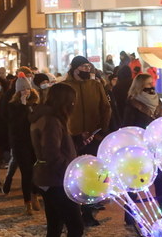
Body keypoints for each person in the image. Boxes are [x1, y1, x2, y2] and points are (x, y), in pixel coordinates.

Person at [61, 56, 111, 226]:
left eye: (88, 66)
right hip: (72, 138)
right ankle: (74, 214)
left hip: (93, 136)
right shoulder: (65, 88)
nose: (87, 69)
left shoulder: (95, 86)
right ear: (74, 68)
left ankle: (89, 212)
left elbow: (105, 108)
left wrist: (101, 130)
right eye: (83, 66)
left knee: (92, 176)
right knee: (74, 176)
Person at [30, 84, 84, 237]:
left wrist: (78, 141)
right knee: (75, 226)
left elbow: (56, 147)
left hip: (49, 177)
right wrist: (70, 172)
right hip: (56, 180)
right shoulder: (51, 121)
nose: (74, 105)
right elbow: (51, 153)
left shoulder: (47, 117)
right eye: (73, 101)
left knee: (55, 225)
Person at [122, 74, 162, 224]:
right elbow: (127, 126)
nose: (151, 86)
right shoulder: (133, 104)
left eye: (152, 82)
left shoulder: (158, 102)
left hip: (156, 145)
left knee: (159, 178)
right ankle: (129, 212)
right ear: (140, 86)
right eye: (148, 83)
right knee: (135, 178)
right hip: (139, 147)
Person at [7, 72, 41, 215]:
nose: (25, 92)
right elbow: (15, 125)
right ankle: (27, 201)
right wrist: (22, 105)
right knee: (26, 173)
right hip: (21, 144)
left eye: (26, 89)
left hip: (34, 143)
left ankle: (34, 194)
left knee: (35, 171)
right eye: (22, 90)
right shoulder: (13, 106)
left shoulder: (35, 103)